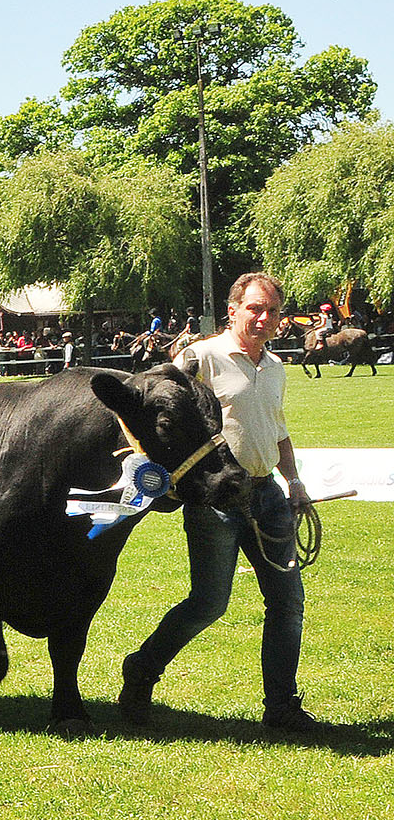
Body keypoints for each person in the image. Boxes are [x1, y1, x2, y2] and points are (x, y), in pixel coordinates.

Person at [121, 271, 320, 732]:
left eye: (272, 311)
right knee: (209, 603)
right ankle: (142, 668)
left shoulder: (274, 366)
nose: (264, 318)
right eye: (254, 308)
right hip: (217, 500)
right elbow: (152, 403)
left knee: (287, 604)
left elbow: (279, 428)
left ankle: (282, 705)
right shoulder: (202, 357)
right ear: (233, 310)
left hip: (268, 494)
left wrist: (294, 482)